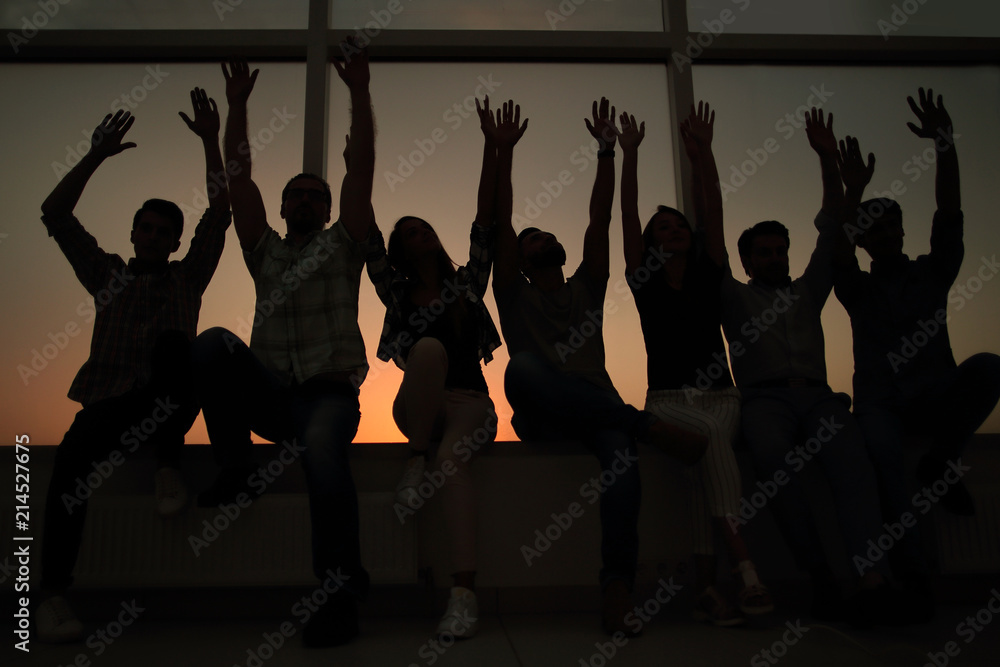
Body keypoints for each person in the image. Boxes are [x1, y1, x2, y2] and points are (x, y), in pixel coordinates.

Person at [493, 98, 707, 636]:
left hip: (599, 410)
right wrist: (502, 155)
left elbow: (599, 218)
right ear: (518, 260)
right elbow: (498, 222)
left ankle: (617, 592)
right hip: (545, 412)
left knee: (622, 464)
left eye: (546, 235)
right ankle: (647, 425)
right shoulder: (513, 297)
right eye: (532, 238)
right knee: (520, 370)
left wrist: (607, 152)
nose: (543, 238)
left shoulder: (587, 286)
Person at [192, 41, 376, 648]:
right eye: (294, 194)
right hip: (271, 394)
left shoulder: (345, 243)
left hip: (325, 395)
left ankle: (340, 595)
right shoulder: (264, 250)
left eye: (313, 195)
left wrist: (357, 90)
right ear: (282, 206)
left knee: (323, 450)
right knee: (213, 343)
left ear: (327, 209)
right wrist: (236, 107)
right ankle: (236, 465)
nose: (302, 199)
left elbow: (362, 168)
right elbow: (237, 178)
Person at [36, 89, 231, 642]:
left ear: (173, 243)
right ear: (133, 234)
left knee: (181, 346)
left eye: (163, 232)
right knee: (69, 469)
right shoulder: (108, 275)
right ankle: (52, 596)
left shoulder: (186, 279)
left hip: (165, 403)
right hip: (108, 401)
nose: (152, 236)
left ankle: (168, 465)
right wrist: (96, 154)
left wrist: (211, 141)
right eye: (144, 228)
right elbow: (55, 213)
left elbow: (219, 217)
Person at [718, 107, 894, 625]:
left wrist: (828, 162)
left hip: (818, 397)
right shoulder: (733, 297)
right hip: (764, 400)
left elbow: (832, 229)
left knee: (853, 464)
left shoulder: (806, 292)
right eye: (764, 253)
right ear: (747, 263)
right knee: (774, 462)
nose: (775, 257)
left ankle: (873, 580)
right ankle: (820, 577)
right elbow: (713, 236)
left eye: (780, 250)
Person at [834, 88, 1000, 615]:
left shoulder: (932, 271)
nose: (881, 235)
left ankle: (942, 457)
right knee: (883, 460)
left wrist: (944, 143)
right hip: (882, 403)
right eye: (870, 230)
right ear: (861, 242)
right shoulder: (856, 289)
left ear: (902, 229)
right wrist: (849, 190)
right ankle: (911, 575)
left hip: (934, 391)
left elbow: (949, 211)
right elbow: (833, 245)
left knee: (990, 368)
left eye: (888, 226)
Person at [364, 97, 525, 638]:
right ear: (399, 249)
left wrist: (493, 147)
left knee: (453, 463)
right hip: (418, 407)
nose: (422, 233)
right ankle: (415, 462)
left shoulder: (465, 286)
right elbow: (362, 231)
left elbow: (486, 220)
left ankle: (463, 594)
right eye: (409, 231)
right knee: (428, 351)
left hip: (471, 405)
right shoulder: (396, 291)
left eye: (424, 225)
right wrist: (358, 158)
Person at [618, 102, 772, 626]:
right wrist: (629, 156)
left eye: (678, 225)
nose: (673, 230)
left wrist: (703, 153)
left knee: (706, 465)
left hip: (720, 396)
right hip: (666, 401)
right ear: (650, 243)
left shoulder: (710, 271)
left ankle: (708, 591)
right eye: (662, 228)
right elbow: (628, 214)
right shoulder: (643, 283)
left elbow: (713, 208)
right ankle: (746, 568)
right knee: (710, 444)